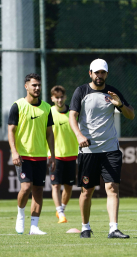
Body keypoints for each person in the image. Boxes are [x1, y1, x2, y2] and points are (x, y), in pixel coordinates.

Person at [69, 58, 135, 238]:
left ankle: (113, 228)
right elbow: (72, 117)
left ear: (106, 74)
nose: (99, 76)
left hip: (110, 149)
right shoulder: (81, 91)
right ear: (90, 73)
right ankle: (85, 226)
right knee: (86, 191)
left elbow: (131, 115)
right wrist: (79, 136)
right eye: (96, 72)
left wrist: (119, 104)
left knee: (112, 188)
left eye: (103, 72)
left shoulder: (113, 92)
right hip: (88, 150)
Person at [8, 73, 56, 235]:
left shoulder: (47, 108)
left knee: (38, 190)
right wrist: (14, 152)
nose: (37, 88)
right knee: (26, 187)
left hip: (41, 156)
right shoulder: (17, 106)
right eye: (34, 85)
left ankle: (34, 226)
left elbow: (50, 134)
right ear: (26, 86)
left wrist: (53, 156)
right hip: (23, 156)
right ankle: (20, 215)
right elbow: (11, 131)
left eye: (39, 85)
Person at [48, 85, 78, 224]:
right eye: (56, 98)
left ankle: (62, 209)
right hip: (55, 155)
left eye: (61, 97)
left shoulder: (72, 113)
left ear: (65, 97)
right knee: (55, 185)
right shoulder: (49, 112)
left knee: (69, 187)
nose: (59, 100)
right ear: (52, 98)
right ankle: (60, 213)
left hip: (71, 154)